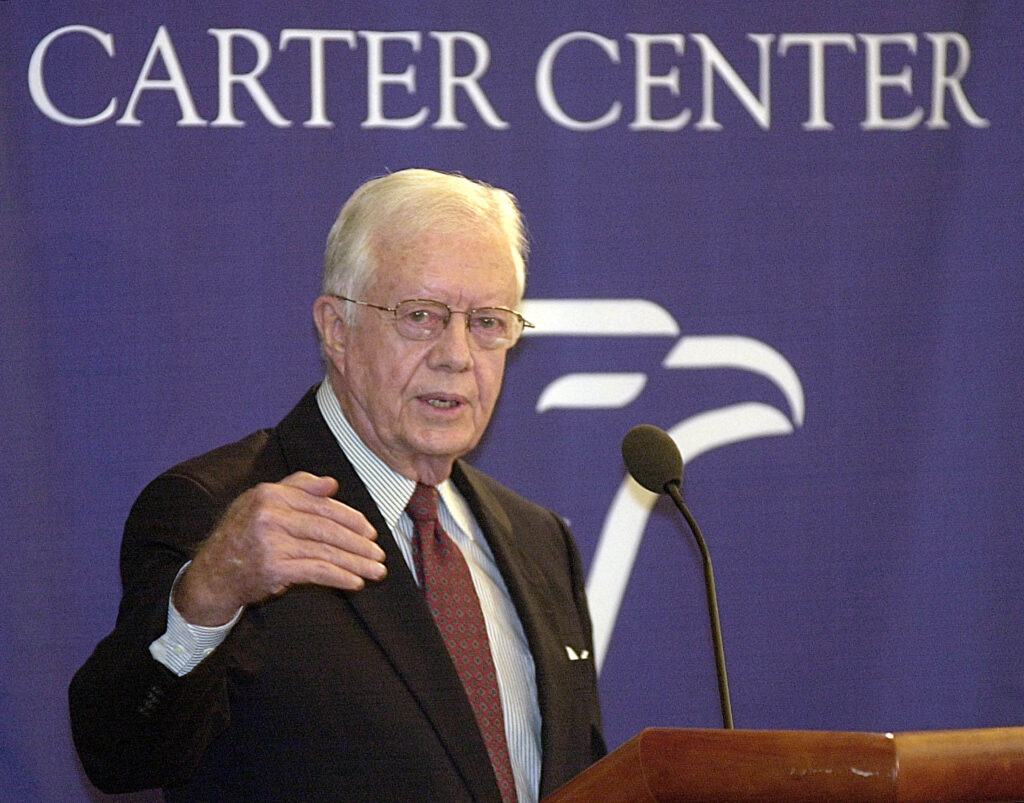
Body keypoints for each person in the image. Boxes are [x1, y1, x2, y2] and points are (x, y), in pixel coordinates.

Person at [69, 168, 606, 802]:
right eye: (422, 316)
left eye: (487, 322)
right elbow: (119, 752)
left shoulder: (540, 541)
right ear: (336, 328)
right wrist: (208, 593)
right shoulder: (220, 515)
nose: (457, 354)